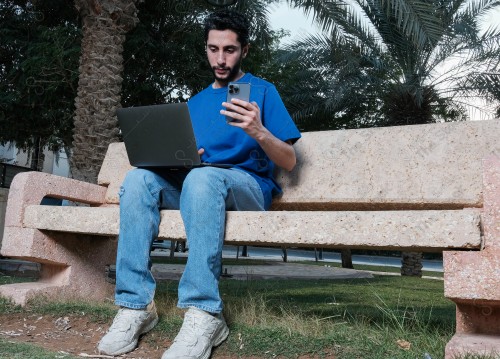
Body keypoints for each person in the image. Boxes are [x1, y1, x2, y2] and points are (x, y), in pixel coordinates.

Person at [98, 8, 301, 359]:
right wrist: (178, 158)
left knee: (203, 177)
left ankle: (204, 312)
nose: (220, 59)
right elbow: (188, 162)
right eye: (213, 49)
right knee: (138, 180)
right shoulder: (195, 103)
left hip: (248, 188)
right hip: (197, 184)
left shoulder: (263, 92)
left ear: (245, 50)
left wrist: (259, 131)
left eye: (229, 50)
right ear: (205, 48)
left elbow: (289, 161)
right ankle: (134, 307)